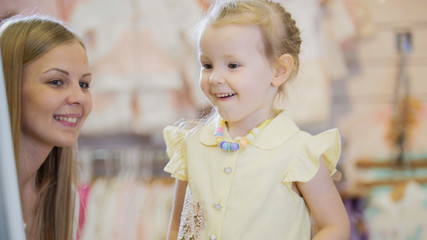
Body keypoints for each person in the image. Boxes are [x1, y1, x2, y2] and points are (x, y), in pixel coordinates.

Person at [163, 1, 350, 239]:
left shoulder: (298, 153)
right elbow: (177, 225)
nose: (215, 78)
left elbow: (335, 226)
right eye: (207, 65)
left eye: (233, 65)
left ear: (279, 70)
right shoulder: (191, 145)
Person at [0, 15, 92, 240]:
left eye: (84, 84)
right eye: (56, 82)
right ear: (11, 86)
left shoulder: (64, 198)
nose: (78, 97)